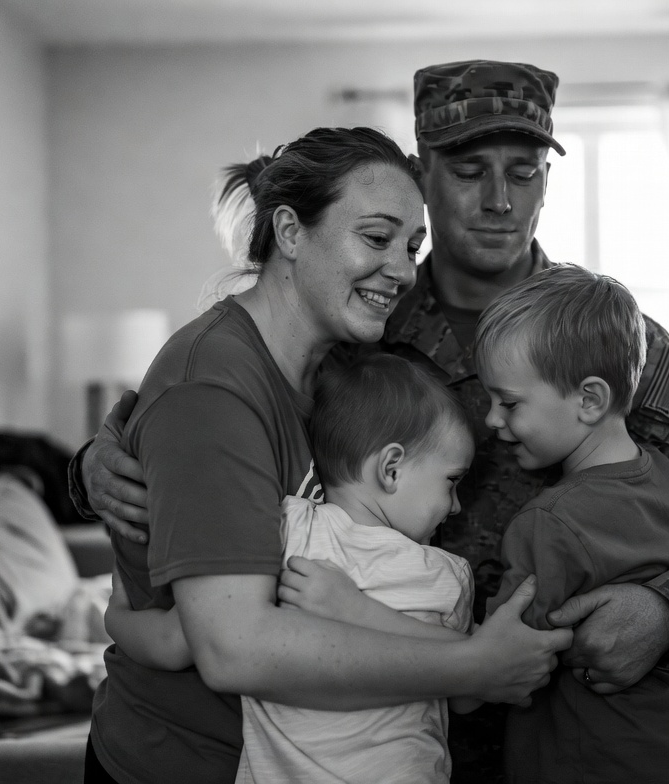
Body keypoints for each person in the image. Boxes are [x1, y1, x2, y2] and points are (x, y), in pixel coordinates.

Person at [74, 61, 669, 779]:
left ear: (547, 182)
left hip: (590, 746)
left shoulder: (609, 339)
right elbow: (212, 428)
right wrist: (93, 468)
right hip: (385, 746)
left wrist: (667, 613)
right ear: (425, 177)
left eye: (524, 172)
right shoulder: (355, 325)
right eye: (469, 171)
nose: (498, 200)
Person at [81, 126, 571, 784]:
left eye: (411, 245)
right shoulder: (214, 388)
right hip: (184, 764)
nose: (403, 270)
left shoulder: (342, 366)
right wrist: (474, 667)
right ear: (290, 231)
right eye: (376, 238)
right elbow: (235, 648)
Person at [106, 352, 486, 783]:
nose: (456, 506)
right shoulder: (447, 577)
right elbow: (472, 688)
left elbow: (176, 641)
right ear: (391, 468)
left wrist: (116, 617)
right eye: (452, 481)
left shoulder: (285, 531)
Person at [475, 264, 669, 782]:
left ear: (589, 400)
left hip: (585, 764)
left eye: (508, 403)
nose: (492, 419)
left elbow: (500, 664)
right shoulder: (661, 473)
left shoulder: (546, 525)